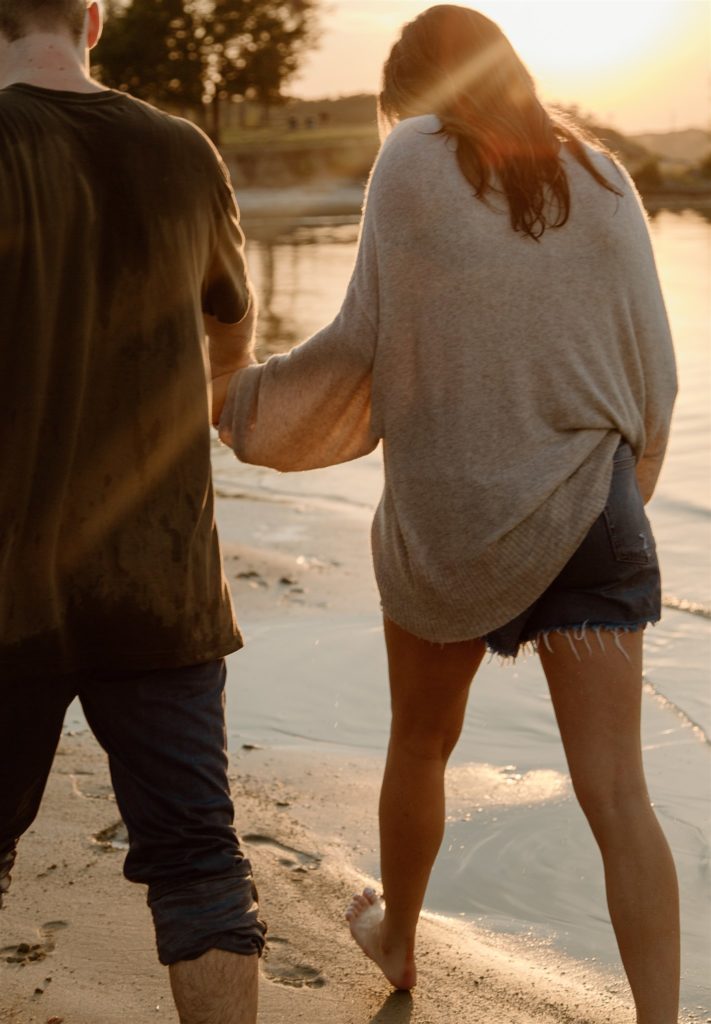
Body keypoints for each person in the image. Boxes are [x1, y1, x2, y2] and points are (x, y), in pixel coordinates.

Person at [215, 5, 680, 1022]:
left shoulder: (413, 160)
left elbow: (363, 344)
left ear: (419, 94)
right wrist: (614, 511)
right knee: (620, 797)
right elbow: (657, 383)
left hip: (449, 523)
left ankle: (399, 941)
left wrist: (245, 406)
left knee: (421, 740)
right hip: (595, 517)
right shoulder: (604, 179)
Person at [0, 2, 265, 1022]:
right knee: (200, 862)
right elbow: (229, 345)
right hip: (162, 583)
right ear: (96, 23)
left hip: (8, 589)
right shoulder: (184, 152)